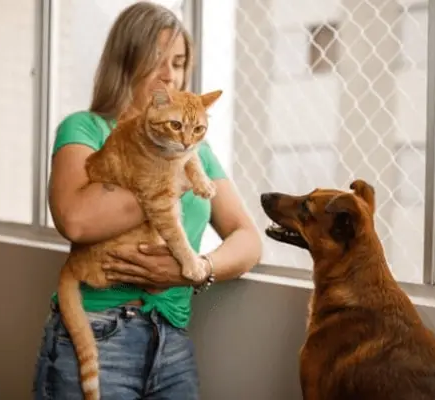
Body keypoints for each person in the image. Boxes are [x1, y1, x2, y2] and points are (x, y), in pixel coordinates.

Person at [32, 2, 262, 399]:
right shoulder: (86, 129)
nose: (169, 75)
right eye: (156, 59)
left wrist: (198, 269)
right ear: (125, 59)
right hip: (99, 327)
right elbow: (76, 221)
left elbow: (248, 239)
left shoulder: (192, 146)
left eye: (179, 61)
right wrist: (176, 177)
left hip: (172, 341)